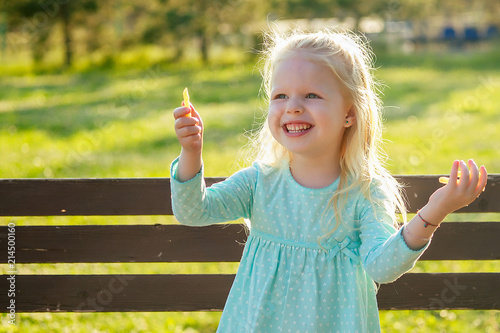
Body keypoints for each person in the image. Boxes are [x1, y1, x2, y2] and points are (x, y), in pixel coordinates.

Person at [170, 29, 488, 332]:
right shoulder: (259, 182)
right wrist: (191, 152)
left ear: (349, 114)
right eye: (280, 95)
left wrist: (436, 210)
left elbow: (382, 267)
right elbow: (193, 211)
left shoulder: (364, 191)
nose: (293, 106)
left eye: (311, 95)